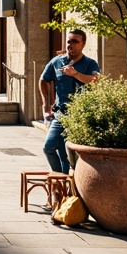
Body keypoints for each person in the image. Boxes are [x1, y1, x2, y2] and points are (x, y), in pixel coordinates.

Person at [38, 29, 100, 174]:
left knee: (68, 153)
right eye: (69, 41)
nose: (70, 45)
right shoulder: (57, 62)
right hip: (61, 114)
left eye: (75, 41)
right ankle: (59, 179)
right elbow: (43, 80)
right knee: (49, 147)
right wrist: (46, 102)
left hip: (80, 115)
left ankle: (64, 184)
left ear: (83, 44)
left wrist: (75, 74)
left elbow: (95, 80)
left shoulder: (90, 63)